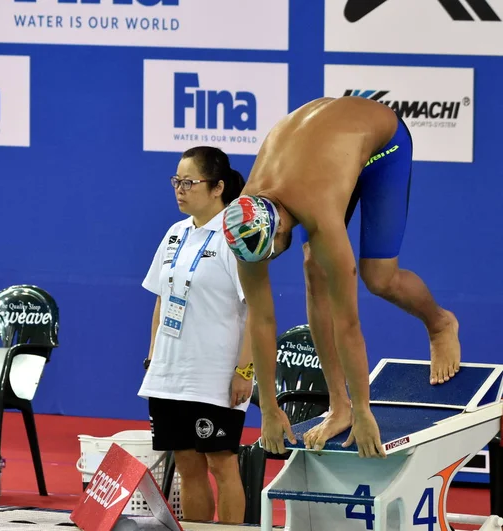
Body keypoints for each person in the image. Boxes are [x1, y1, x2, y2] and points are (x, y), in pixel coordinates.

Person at [221, 96, 461, 459]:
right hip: (322, 155)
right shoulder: (244, 225)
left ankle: (440, 324)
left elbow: (348, 323)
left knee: (378, 277)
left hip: (382, 147)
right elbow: (261, 319)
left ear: (282, 222)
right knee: (312, 272)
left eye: (273, 251)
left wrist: (365, 412)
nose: (269, 260)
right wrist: (269, 408)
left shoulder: (316, 210)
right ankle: (338, 406)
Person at [138, 146, 253, 524]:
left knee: (222, 465)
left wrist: (244, 371)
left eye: (189, 182)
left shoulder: (234, 238)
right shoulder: (175, 234)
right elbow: (162, 299)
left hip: (214, 378)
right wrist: (154, 355)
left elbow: (255, 312)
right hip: (170, 376)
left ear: (218, 187)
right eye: (176, 181)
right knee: (188, 465)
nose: (180, 189)